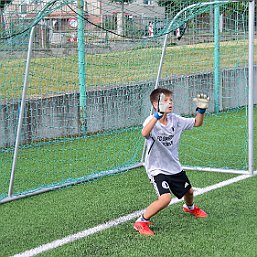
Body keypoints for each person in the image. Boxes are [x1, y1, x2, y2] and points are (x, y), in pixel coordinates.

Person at [133, 87, 210, 236]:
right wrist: (157, 115)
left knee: (189, 192)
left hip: (174, 166)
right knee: (165, 198)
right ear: (156, 104)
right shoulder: (151, 120)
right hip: (157, 168)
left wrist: (201, 110)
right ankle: (141, 221)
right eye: (165, 100)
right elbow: (144, 133)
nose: (170, 103)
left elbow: (197, 123)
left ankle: (190, 207)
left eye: (171, 100)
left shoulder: (176, 120)